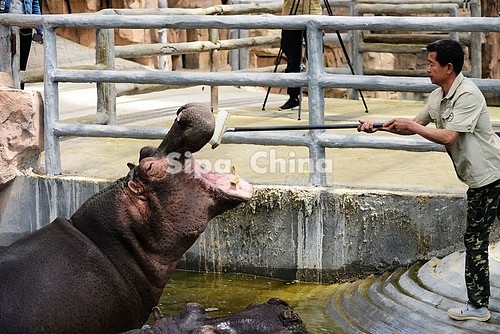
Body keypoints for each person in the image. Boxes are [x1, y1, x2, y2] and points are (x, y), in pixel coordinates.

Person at [358, 39, 500, 322]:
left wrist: (410, 125)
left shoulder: (468, 95)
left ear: (449, 68)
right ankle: (478, 304)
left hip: (491, 177)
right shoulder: (438, 96)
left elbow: (448, 136)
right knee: (477, 238)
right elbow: (415, 126)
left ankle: (478, 307)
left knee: (475, 240)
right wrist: (380, 126)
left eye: (431, 63)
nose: (427, 69)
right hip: (483, 177)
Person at [278, 0, 322, 110]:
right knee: (292, 57)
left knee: (315, 59)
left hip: (313, 13)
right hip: (290, 14)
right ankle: (293, 97)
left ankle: (317, 98)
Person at [0, 0, 43, 89]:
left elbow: (35, 5)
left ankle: (20, 91)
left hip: (25, 25)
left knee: (21, 63)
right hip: (4, 25)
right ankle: (4, 91)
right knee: (3, 63)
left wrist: (40, 30)